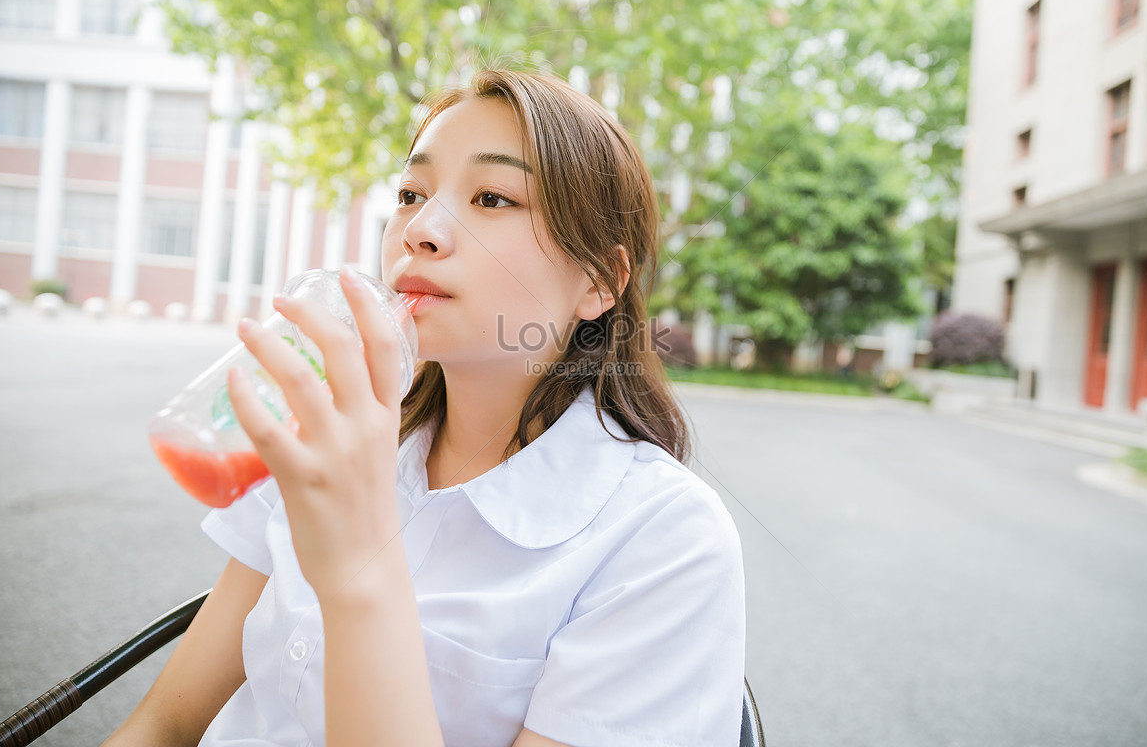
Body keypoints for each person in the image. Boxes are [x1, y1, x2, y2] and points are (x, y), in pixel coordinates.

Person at [104, 67, 745, 747]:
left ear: (598, 282)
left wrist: (357, 567)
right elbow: (164, 726)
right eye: (411, 193)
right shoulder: (325, 431)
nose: (421, 230)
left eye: (493, 198)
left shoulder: (665, 542)